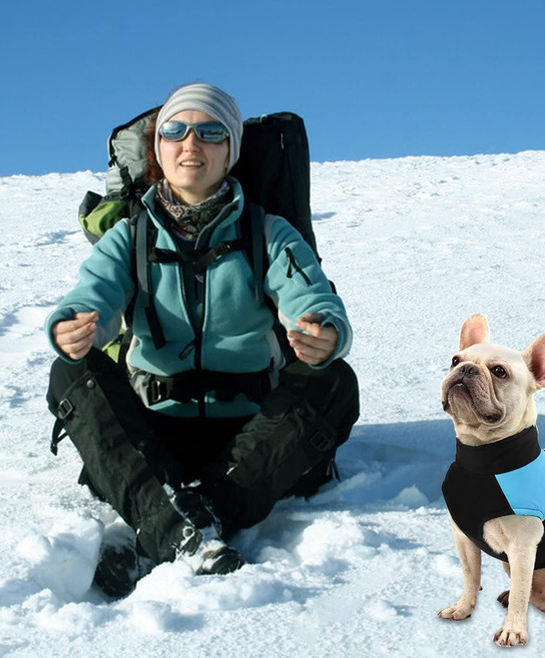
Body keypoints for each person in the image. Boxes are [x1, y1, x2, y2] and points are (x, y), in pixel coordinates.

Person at [45, 83, 359, 597]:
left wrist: (322, 331)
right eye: (176, 131)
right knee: (70, 372)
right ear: (159, 149)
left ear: (231, 151)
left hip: (250, 433)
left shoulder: (269, 232)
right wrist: (77, 325)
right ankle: (188, 524)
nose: (192, 143)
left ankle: (165, 522)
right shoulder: (131, 235)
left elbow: (312, 297)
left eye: (211, 132)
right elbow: (93, 295)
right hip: (153, 428)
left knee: (335, 380)